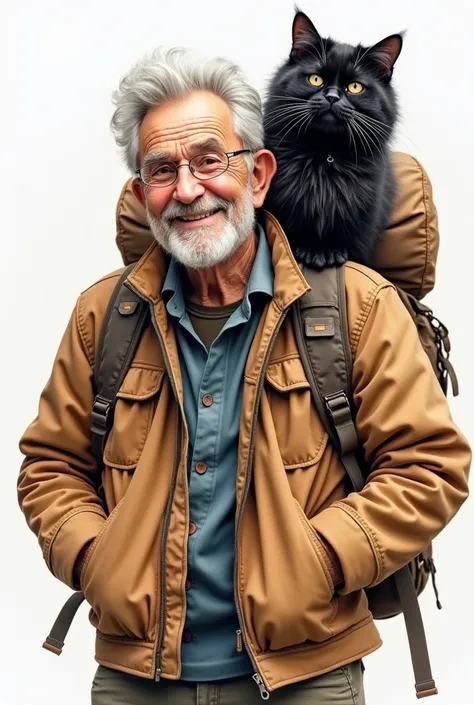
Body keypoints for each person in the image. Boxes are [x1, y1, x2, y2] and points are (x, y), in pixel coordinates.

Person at [17, 47, 470, 705]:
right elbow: (49, 465)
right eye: (162, 170)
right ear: (143, 195)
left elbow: (430, 465)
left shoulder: (355, 305)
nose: (189, 188)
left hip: (309, 677)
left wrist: (323, 558)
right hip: (135, 678)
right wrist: (95, 558)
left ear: (258, 175)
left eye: (209, 159)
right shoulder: (103, 316)